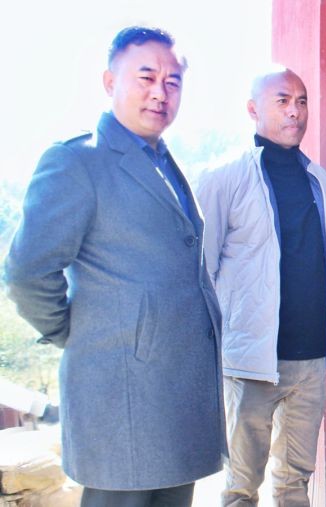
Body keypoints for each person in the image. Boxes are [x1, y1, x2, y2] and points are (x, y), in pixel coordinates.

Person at [4, 26, 224, 506]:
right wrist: (77, 332)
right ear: (109, 82)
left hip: (172, 396)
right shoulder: (79, 162)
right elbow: (26, 273)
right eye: (146, 77)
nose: (159, 92)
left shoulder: (164, 161)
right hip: (121, 398)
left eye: (172, 82)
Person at [195, 68, 326, 507]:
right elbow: (202, 271)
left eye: (302, 100)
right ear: (253, 109)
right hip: (251, 360)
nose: (295, 111)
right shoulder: (224, 179)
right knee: (241, 487)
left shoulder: (321, 181)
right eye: (282, 100)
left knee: (295, 482)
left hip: (310, 361)